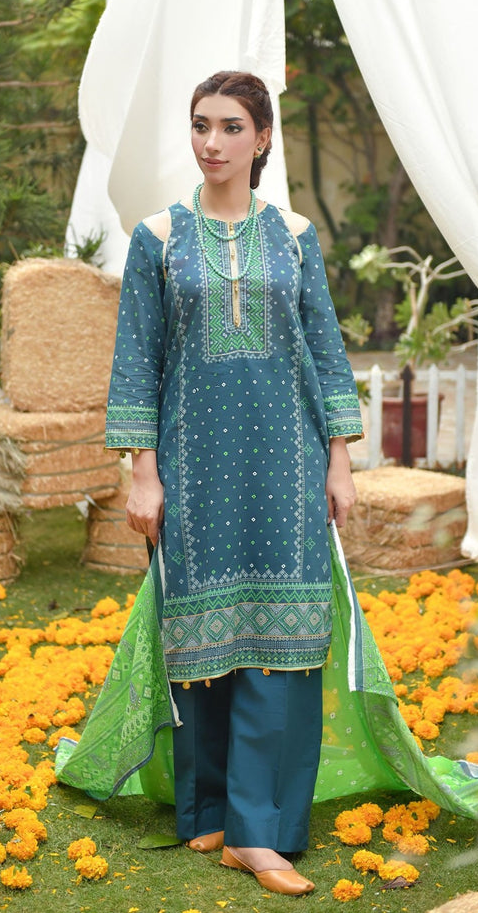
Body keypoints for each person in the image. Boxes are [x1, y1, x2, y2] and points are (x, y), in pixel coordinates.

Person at [105, 70, 363, 896]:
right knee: (201, 640)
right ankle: (209, 809)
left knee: (280, 639)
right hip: (192, 465)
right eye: (199, 125)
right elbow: (135, 361)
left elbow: (323, 349)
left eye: (229, 127)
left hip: (287, 464)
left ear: (261, 139)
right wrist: (142, 474)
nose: (210, 142)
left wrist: (339, 458)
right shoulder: (157, 237)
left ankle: (259, 832)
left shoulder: (294, 235)